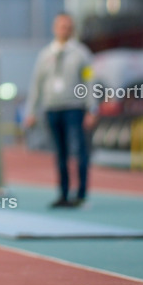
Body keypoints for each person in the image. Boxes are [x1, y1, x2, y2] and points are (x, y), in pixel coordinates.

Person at [24, 13, 97, 208]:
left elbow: (89, 81)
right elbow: (36, 84)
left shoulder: (82, 53)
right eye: (60, 26)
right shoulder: (45, 55)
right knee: (60, 154)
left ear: (72, 29)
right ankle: (63, 194)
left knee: (79, 151)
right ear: (54, 28)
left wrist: (92, 109)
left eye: (67, 26)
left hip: (74, 108)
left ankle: (81, 194)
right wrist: (30, 111)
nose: (63, 29)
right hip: (52, 108)